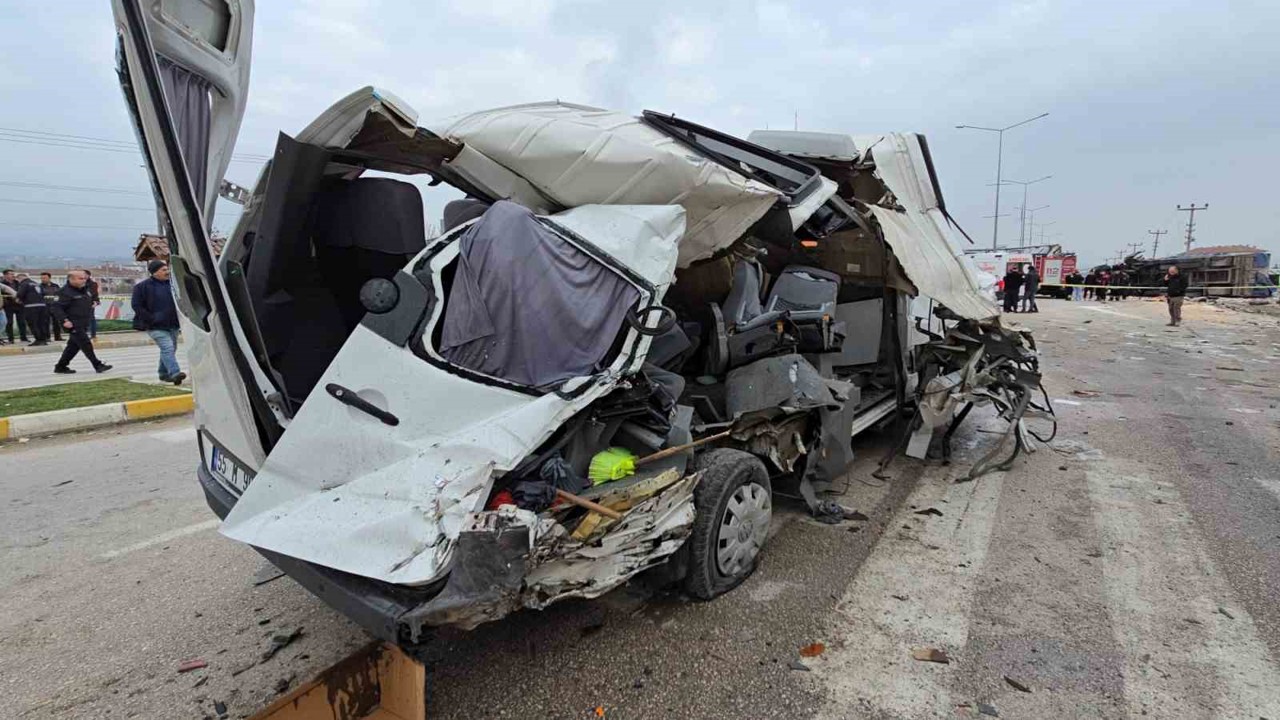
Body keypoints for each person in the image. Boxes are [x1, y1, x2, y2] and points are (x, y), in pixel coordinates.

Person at [132, 259, 185, 385]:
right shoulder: (142, 287)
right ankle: (175, 373)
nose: (167, 272)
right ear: (155, 272)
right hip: (154, 326)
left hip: (173, 324)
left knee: (170, 349)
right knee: (167, 347)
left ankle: (163, 373)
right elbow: (136, 305)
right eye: (164, 270)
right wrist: (151, 318)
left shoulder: (173, 285)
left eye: (167, 269)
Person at [50, 270, 112, 375]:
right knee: (85, 343)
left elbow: (86, 301)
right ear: (71, 279)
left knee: (73, 347)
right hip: (73, 323)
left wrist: (93, 303)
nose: (84, 280)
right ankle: (97, 365)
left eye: (84, 278)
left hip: (84, 322)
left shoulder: (84, 289)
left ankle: (60, 366)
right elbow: (56, 308)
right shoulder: (64, 292)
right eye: (81, 279)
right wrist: (64, 320)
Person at [16, 273, 49, 346]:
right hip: (42, 306)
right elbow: (44, 293)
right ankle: (44, 340)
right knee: (41, 324)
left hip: (31, 306)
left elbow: (20, 294)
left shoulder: (24, 283)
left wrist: (18, 299)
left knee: (33, 324)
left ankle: (38, 340)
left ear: (20, 278)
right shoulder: (36, 283)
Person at [39, 272, 62, 341]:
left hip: (55, 306)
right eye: (42, 278)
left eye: (45, 278)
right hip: (45, 306)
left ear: (49, 278)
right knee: (45, 322)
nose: (43, 279)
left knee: (57, 322)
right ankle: (47, 337)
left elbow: (59, 294)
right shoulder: (39, 287)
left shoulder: (55, 286)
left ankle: (58, 337)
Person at [2, 268, 21, 343]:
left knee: (21, 322)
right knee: (9, 322)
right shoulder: (2, 284)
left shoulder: (17, 283)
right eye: (11, 274)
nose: (13, 275)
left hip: (19, 305)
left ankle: (24, 338)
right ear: (5, 275)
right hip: (8, 305)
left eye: (13, 274)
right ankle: (11, 339)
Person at [85, 270, 100, 339]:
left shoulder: (93, 284)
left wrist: (96, 302)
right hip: (81, 304)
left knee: (91, 319)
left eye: (85, 275)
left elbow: (94, 294)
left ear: (88, 275)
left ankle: (93, 335)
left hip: (90, 303)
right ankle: (84, 334)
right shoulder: (81, 283)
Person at [0, 275, 15, 344]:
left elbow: (8, 289)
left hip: (0, 308)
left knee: (4, 322)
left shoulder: (1, 285)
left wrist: (17, 295)